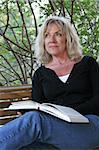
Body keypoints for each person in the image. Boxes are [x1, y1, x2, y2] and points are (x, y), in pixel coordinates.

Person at [0, 15, 99, 150]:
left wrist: (71, 113)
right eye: (47, 35)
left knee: (35, 120)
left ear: (67, 38)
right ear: (43, 41)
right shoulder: (40, 74)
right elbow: (38, 106)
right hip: (56, 133)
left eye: (58, 34)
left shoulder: (87, 63)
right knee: (23, 146)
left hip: (89, 125)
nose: (51, 40)